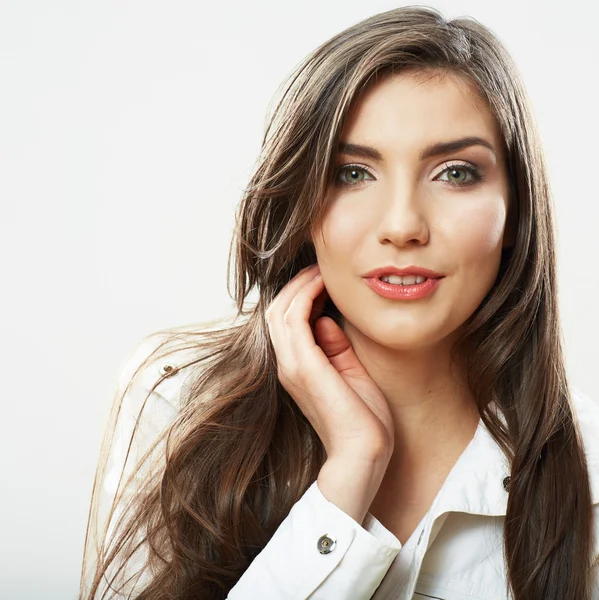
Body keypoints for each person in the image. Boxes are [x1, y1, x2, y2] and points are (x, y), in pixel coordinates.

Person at [79, 5, 599, 600]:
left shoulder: (589, 475)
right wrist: (348, 475)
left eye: (455, 173)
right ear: (303, 206)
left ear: (516, 213)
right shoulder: (179, 403)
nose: (403, 226)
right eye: (353, 173)